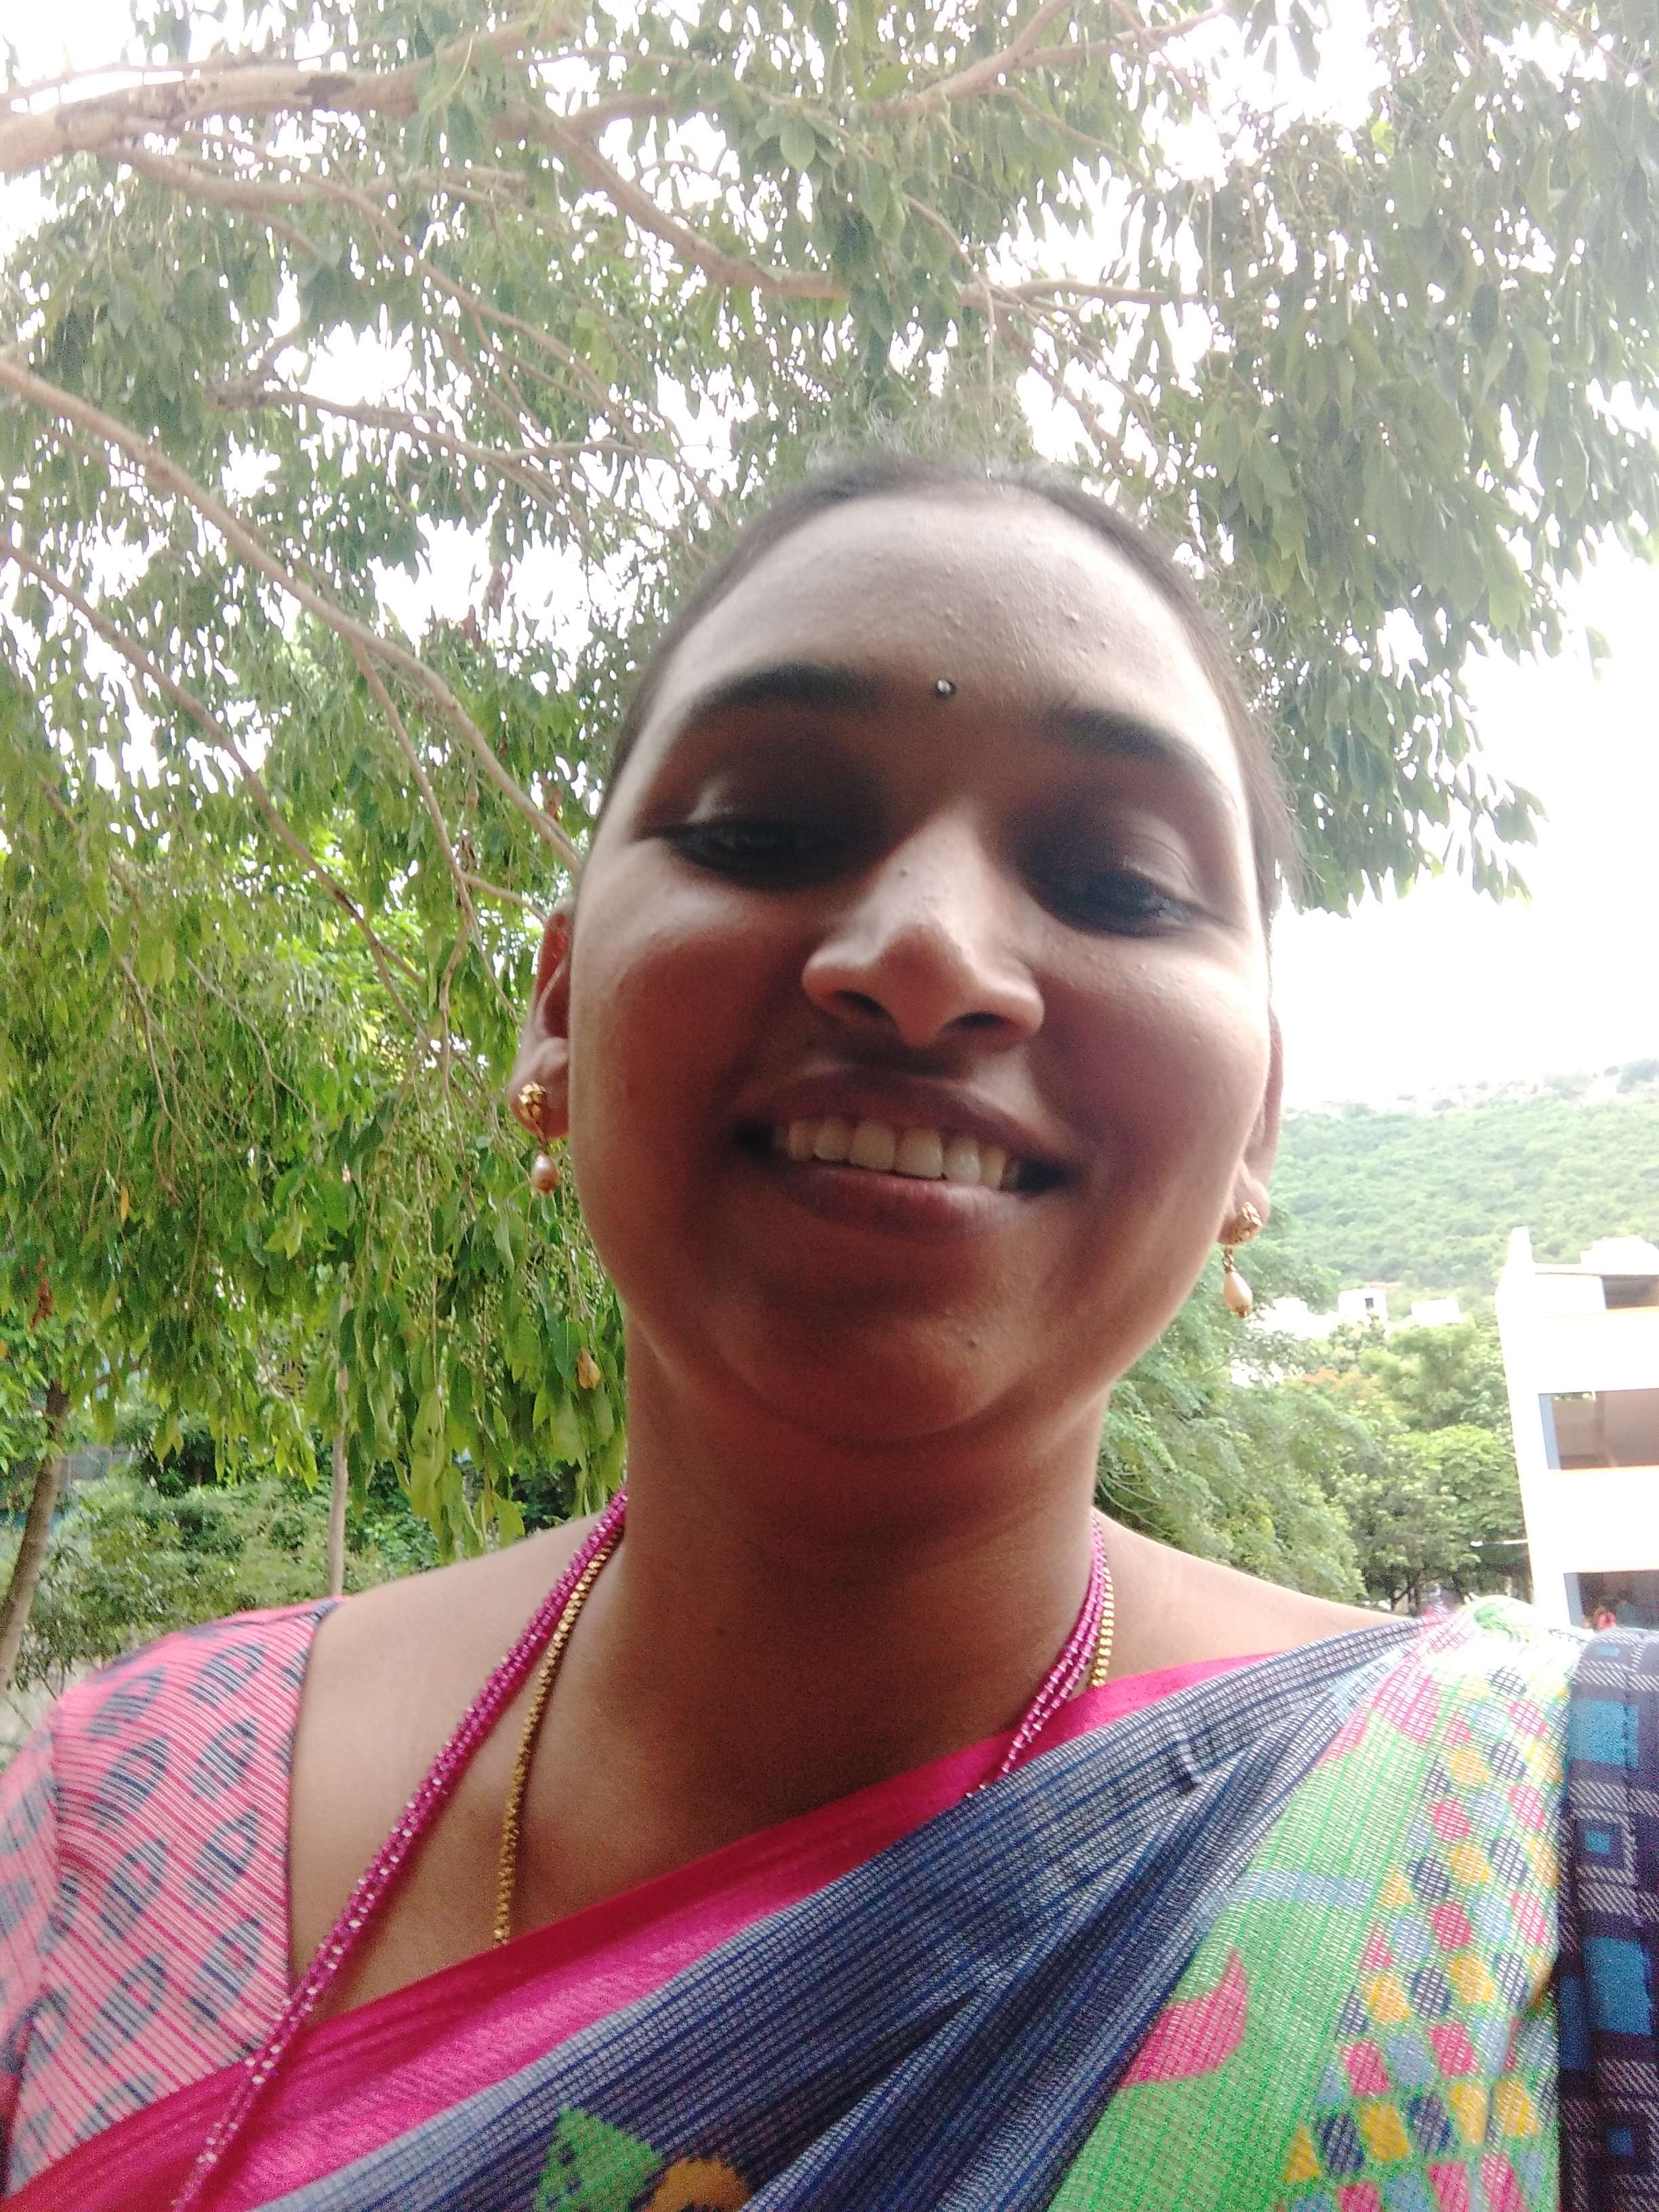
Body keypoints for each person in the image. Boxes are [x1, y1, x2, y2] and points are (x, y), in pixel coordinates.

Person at [0, 457, 1637, 2211]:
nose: (925, 954)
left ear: (1258, 1128)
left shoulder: (1567, 1857)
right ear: (557, 1011)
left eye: (1119, 879)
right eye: (761, 831)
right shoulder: (121, 1824)